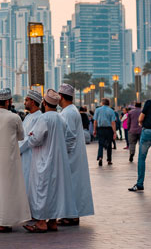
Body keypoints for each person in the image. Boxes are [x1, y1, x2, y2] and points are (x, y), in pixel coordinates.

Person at [23, 89, 78, 233]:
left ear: (44, 103)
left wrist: (31, 136)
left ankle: (41, 222)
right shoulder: (61, 118)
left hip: (43, 160)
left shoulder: (44, 118)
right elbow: (71, 138)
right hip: (59, 162)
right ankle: (52, 222)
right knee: (55, 191)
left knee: (41, 190)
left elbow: (36, 139)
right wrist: (62, 151)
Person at [0, 88, 31, 232]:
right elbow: (21, 136)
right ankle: (3, 223)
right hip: (9, 159)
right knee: (7, 189)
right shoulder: (14, 117)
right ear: (9, 101)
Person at [58, 84, 94, 226]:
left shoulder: (68, 113)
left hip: (70, 156)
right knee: (73, 185)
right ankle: (72, 214)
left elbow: (70, 137)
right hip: (73, 155)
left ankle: (72, 215)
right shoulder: (71, 111)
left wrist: (63, 154)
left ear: (61, 96)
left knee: (71, 185)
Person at [19, 90, 43, 193]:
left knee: (29, 183)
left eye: (26, 100)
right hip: (23, 155)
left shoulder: (39, 117)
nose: (24, 103)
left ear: (33, 102)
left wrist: (16, 149)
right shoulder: (28, 117)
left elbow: (30, 139)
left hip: (31, 156)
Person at [93, 98, 116, 166]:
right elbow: (113, 122)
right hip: (109, 129)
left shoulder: (97, 110)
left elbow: (95, 121)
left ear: (102, 103)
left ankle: (100, 157)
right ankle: (109, 160)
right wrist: (114, 132)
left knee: (100, 144)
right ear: (108, 103)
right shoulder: (111, 111)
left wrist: (95, 130)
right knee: (109, 144)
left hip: (100, 129)